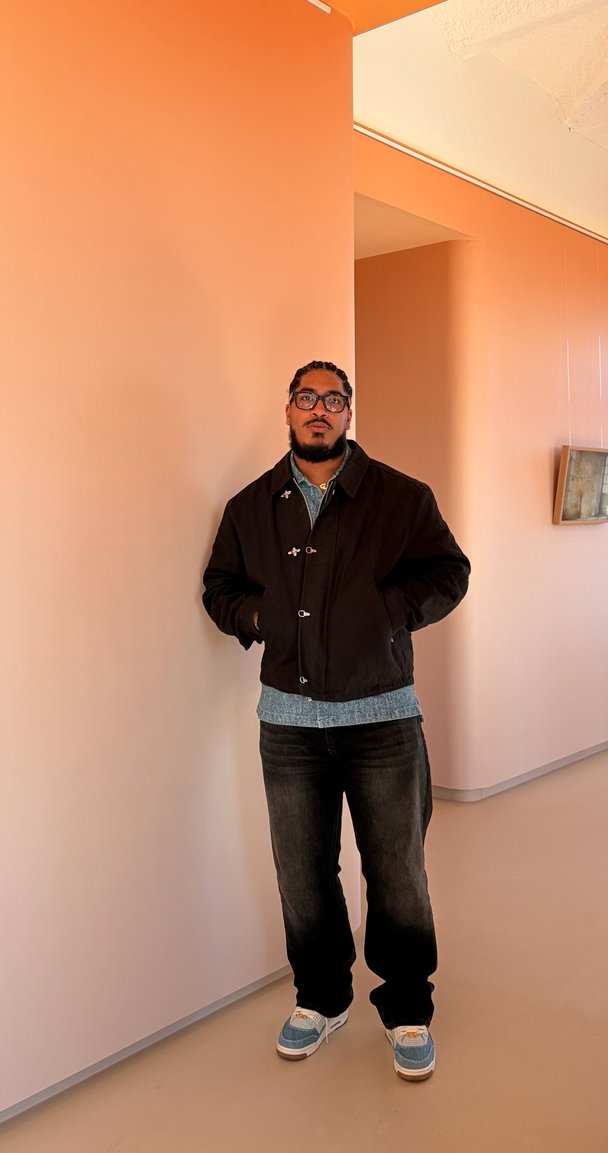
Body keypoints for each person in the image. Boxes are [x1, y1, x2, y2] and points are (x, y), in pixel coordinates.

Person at [202, 360, 469, 1081]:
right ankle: (321, 997)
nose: (319, 409)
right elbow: (219, 586)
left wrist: (388, 613)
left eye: (334, 399)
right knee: (302, 871)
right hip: (287, 724)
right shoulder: (252, 506)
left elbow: (449, 571)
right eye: (306, 398)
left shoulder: (401, 497)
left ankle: (407, 1003)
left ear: (349, 412)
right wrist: (257, 617)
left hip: (383, 715)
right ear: (287, 410)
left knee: (397, 870)